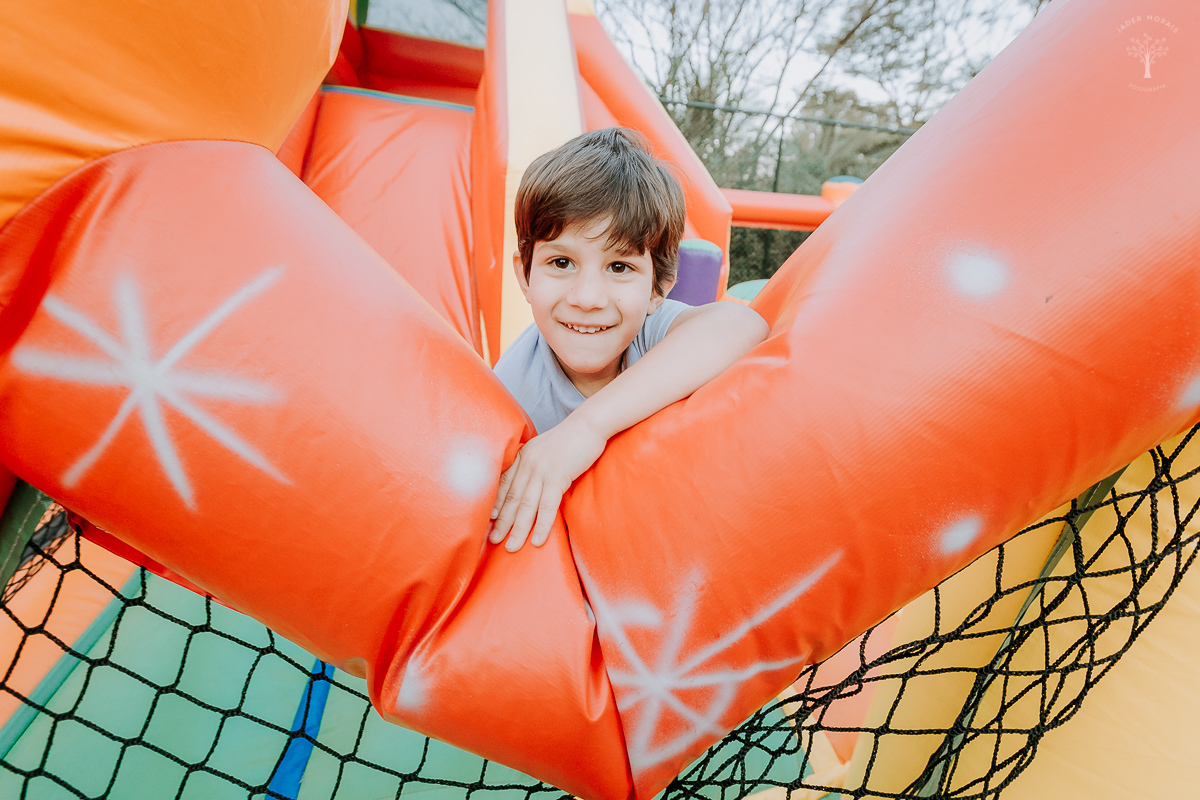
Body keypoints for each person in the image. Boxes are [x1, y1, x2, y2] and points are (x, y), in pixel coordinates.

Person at [489, 128, 769, 552]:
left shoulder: (652, 335)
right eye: (561, 262)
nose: (587, 298)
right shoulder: (510, 389)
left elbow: (740, 325)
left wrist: (586, 427)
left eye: (619, 267)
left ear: (659, 287)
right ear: (524, 275)